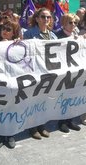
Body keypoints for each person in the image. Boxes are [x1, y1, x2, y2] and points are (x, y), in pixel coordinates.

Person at [23, 7, 56, 140]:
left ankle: (42, 125)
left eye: (48, 17)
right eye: (43, 17)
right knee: (34, 99)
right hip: (34, 71)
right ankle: (32, 127)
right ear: (37, 19)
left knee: (44, 99)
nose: (46, 19)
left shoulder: (53, 35)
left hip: (48, 72)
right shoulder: (29, 33)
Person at [0, 20, 21, 149]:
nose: (5, 31)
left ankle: (10, 134)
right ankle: (0, 135)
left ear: (14, 33)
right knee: (0, 107)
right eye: (3, 28)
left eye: (9, 29)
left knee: (12, 107)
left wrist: (17, 45)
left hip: (13, 80)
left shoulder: (18, 45)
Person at [54, 13, 82, 133]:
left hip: (74, 69)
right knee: (63, 96)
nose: (73, 25)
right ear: (64, 23)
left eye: (75, 23)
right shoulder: (57, 35)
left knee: (72, 95)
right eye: (70, 22)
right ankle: (62, 121)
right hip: (62, 70)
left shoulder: (76, 35)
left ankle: (70, 120)